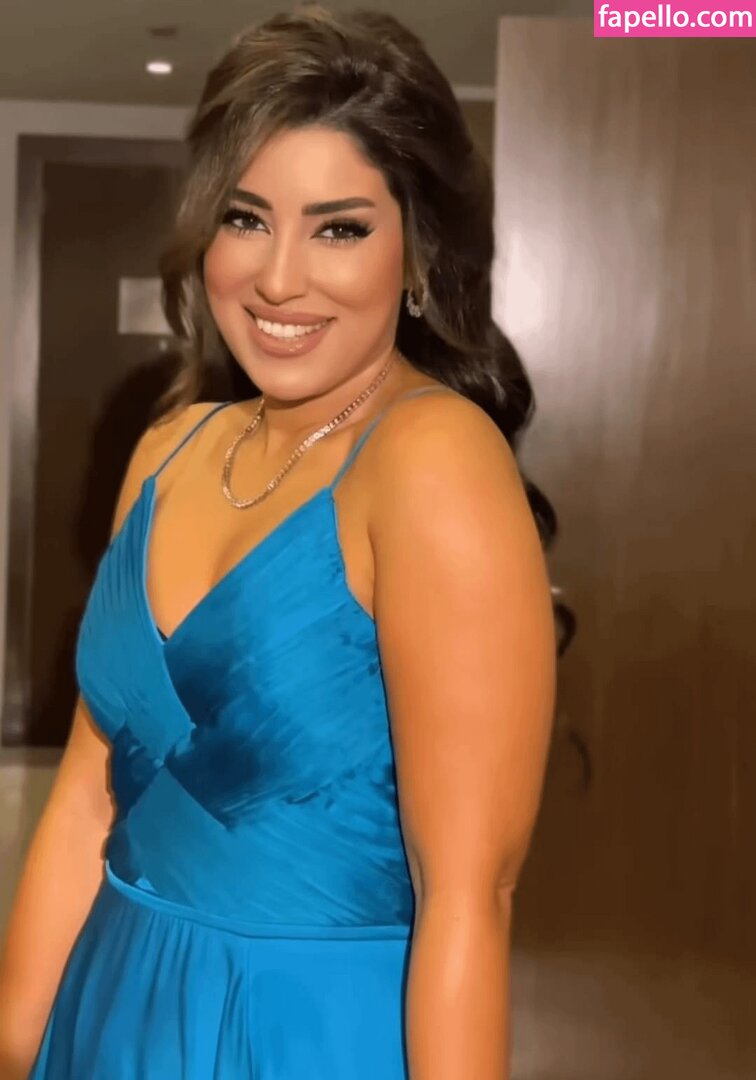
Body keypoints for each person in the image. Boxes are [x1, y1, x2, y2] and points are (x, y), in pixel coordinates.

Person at [0, 5, 558, 1078]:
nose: (278, 278)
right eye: (247, 218)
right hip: (110, 1003)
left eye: (339, 228)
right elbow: (84, 794)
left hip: (304, 1033)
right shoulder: (168, 450)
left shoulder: (433, 460)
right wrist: (22, 1040)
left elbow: (470, 896)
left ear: (418, 251)